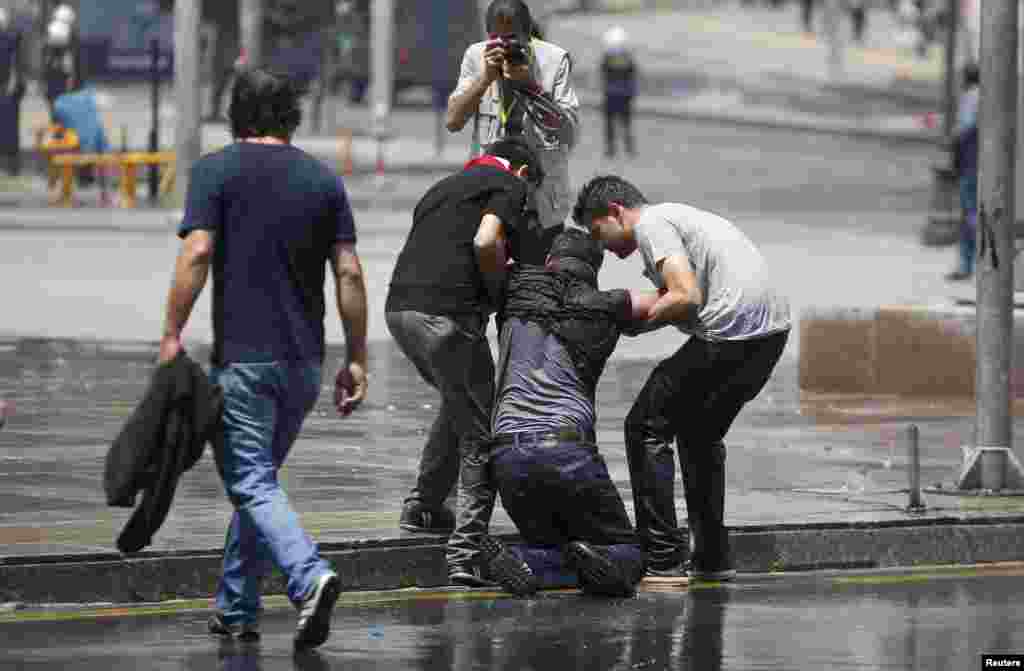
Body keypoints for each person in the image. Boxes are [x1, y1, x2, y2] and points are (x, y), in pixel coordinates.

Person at [156, 67, 369, 650]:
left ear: (235, 112)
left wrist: (172, 331)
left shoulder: (216, 170)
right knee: (260, 485)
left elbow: (198, 254)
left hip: (245, 361)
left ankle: (309, 576)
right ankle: (235, 608)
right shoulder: (323, 180)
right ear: (291, 115)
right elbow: (348, 271)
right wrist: (356, 358)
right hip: (303, 366)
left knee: (250, 481)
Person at [573, 175, 791, 581]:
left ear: (616, 212)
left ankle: (662, 557)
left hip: (731, 335)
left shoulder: (651, 225)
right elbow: (690, 301)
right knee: (699, 434)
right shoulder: (681, 218)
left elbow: (685, 295)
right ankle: (712, 556)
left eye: (597, 231)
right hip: (771, 336)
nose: (601, 246)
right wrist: (642, 321)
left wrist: (632, 325)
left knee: (645, 426)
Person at [385, 135, 548, 585]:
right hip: (447, 318)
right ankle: (466, 551)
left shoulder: (444, 186)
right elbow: (485, 240)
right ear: (521, 172)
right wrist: (497, 292)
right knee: (480, 432)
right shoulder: (508, 184)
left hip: (400, 313)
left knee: (458, 402)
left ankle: (424, 506)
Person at [475, 228, 659, 597]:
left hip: (508, 457)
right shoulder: (608, 305)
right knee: (630, 552)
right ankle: (565, 565)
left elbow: (485, 247)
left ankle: (527, 562)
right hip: (567, 452)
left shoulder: (514, 289)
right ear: (594, 271)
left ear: (549, 262)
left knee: (552, 540)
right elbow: (676, 299)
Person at [446, 0, 580, 246]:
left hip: (540, 200)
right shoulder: (476, 57)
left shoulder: (554, 60)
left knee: (537, 277)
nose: (505, 47)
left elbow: (568, 134)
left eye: (512, 38)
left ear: (527, 35)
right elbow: (453, 121)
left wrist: (532, 87)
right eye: (497, 39)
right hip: (490, 193)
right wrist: (484, 79)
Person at [51, 69, 112, 205]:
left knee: (63, 148)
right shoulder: (89, 97)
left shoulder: (59, 103)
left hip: (78, 147)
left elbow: (58, 128)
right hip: (99, 146)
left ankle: (66, 193)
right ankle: (106, 195)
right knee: (100, 141)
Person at [946, 62, 980, 282]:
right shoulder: (989, 95)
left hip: (970, 163)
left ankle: (967, 265)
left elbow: (964, 129)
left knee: (970, 215)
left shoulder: (972, 97)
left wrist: (952, 138)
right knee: (975, 214)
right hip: (980, 163)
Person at [600, 26, 637, 159]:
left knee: (610, 123)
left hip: (611, 94)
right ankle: (628, 148)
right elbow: (633, 75)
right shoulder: (628, 59)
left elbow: (603, 73)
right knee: (625, 122)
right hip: (624, 94)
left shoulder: (607, 58)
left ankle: (611, 149)